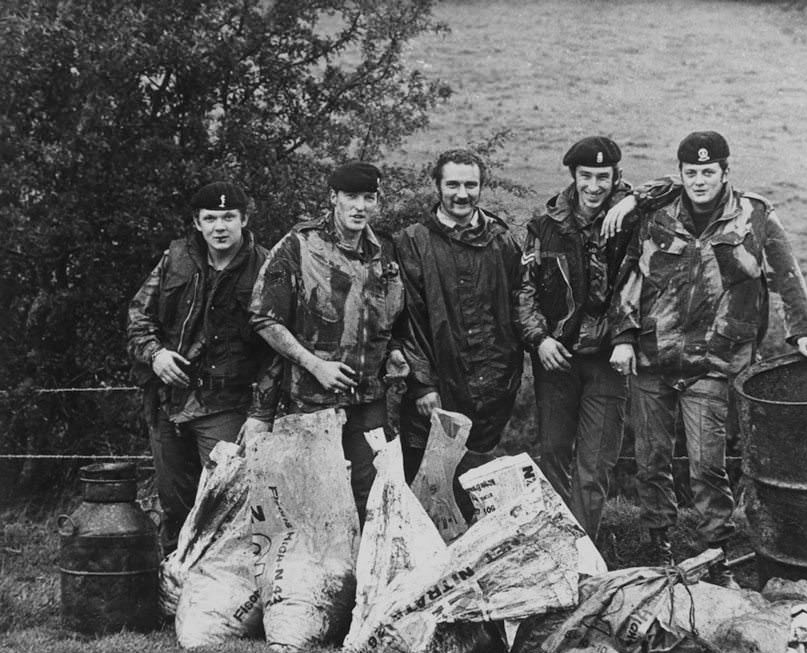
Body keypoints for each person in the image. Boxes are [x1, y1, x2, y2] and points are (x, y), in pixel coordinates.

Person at [604, 131, 807, 587]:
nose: (700, 180)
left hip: (714, 360)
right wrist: (623, 337)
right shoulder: (657, 215)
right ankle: (658, 545)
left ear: (726, 172)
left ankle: (715, 553)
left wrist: (802, 331)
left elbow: (787, 274)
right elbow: (630, 277)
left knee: (708, 465)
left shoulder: (754, 216)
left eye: (709, 172)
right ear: (681, 174)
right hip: (653, 357)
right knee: (651, 461)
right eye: (692, 173)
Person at [246, 161, 407, 518]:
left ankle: (363, 575)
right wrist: (314, 364)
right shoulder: (299, 246)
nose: (360, 206)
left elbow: (392, 319)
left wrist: (394, 351)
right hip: (314, 404)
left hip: (369, 400)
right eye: (351, 197)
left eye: (369, 197)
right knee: (317, 502)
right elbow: (264, 317)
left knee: (373, 498)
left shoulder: (386, 253)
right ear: (333, 197)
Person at [127, 181, 271, 550]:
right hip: (168, 402)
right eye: (210, 218)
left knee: (226, 509)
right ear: (197, 222)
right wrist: (155, 354)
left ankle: (224, 601)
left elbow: (277, 351)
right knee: (175, 507)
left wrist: (260, 413)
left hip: (226, 405)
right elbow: (138, 318)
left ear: (245, 219)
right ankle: (175, 597)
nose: (219, 227)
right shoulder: (175, 259)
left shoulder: (267, 268)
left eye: (228, 217)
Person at [515, 136, 636, 540]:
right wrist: (540, 340)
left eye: (604, 177)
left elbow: (673, 187)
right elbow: (525, 292)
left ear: (616, 176)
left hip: (607, 360)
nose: (595, 186)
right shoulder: (545, 226)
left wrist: (625, 338)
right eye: (587, 176)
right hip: (557, 359)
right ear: (573, 176)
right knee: (552, 455)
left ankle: (584, 552)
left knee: (594, 465)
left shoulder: (634, 217)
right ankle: (555, 544)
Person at [395, 149, 523, 521]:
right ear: (437, 186)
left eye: (471, 184)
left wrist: (506, 379)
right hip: (437, 391)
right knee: (429, 497)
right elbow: (407, 318)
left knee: (480, 499)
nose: (462, 194)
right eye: (453, 184)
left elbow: (517, 306)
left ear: (482, 186)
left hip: (493, 391)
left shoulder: (502, 240)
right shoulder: (413, 241)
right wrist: (421, 384)